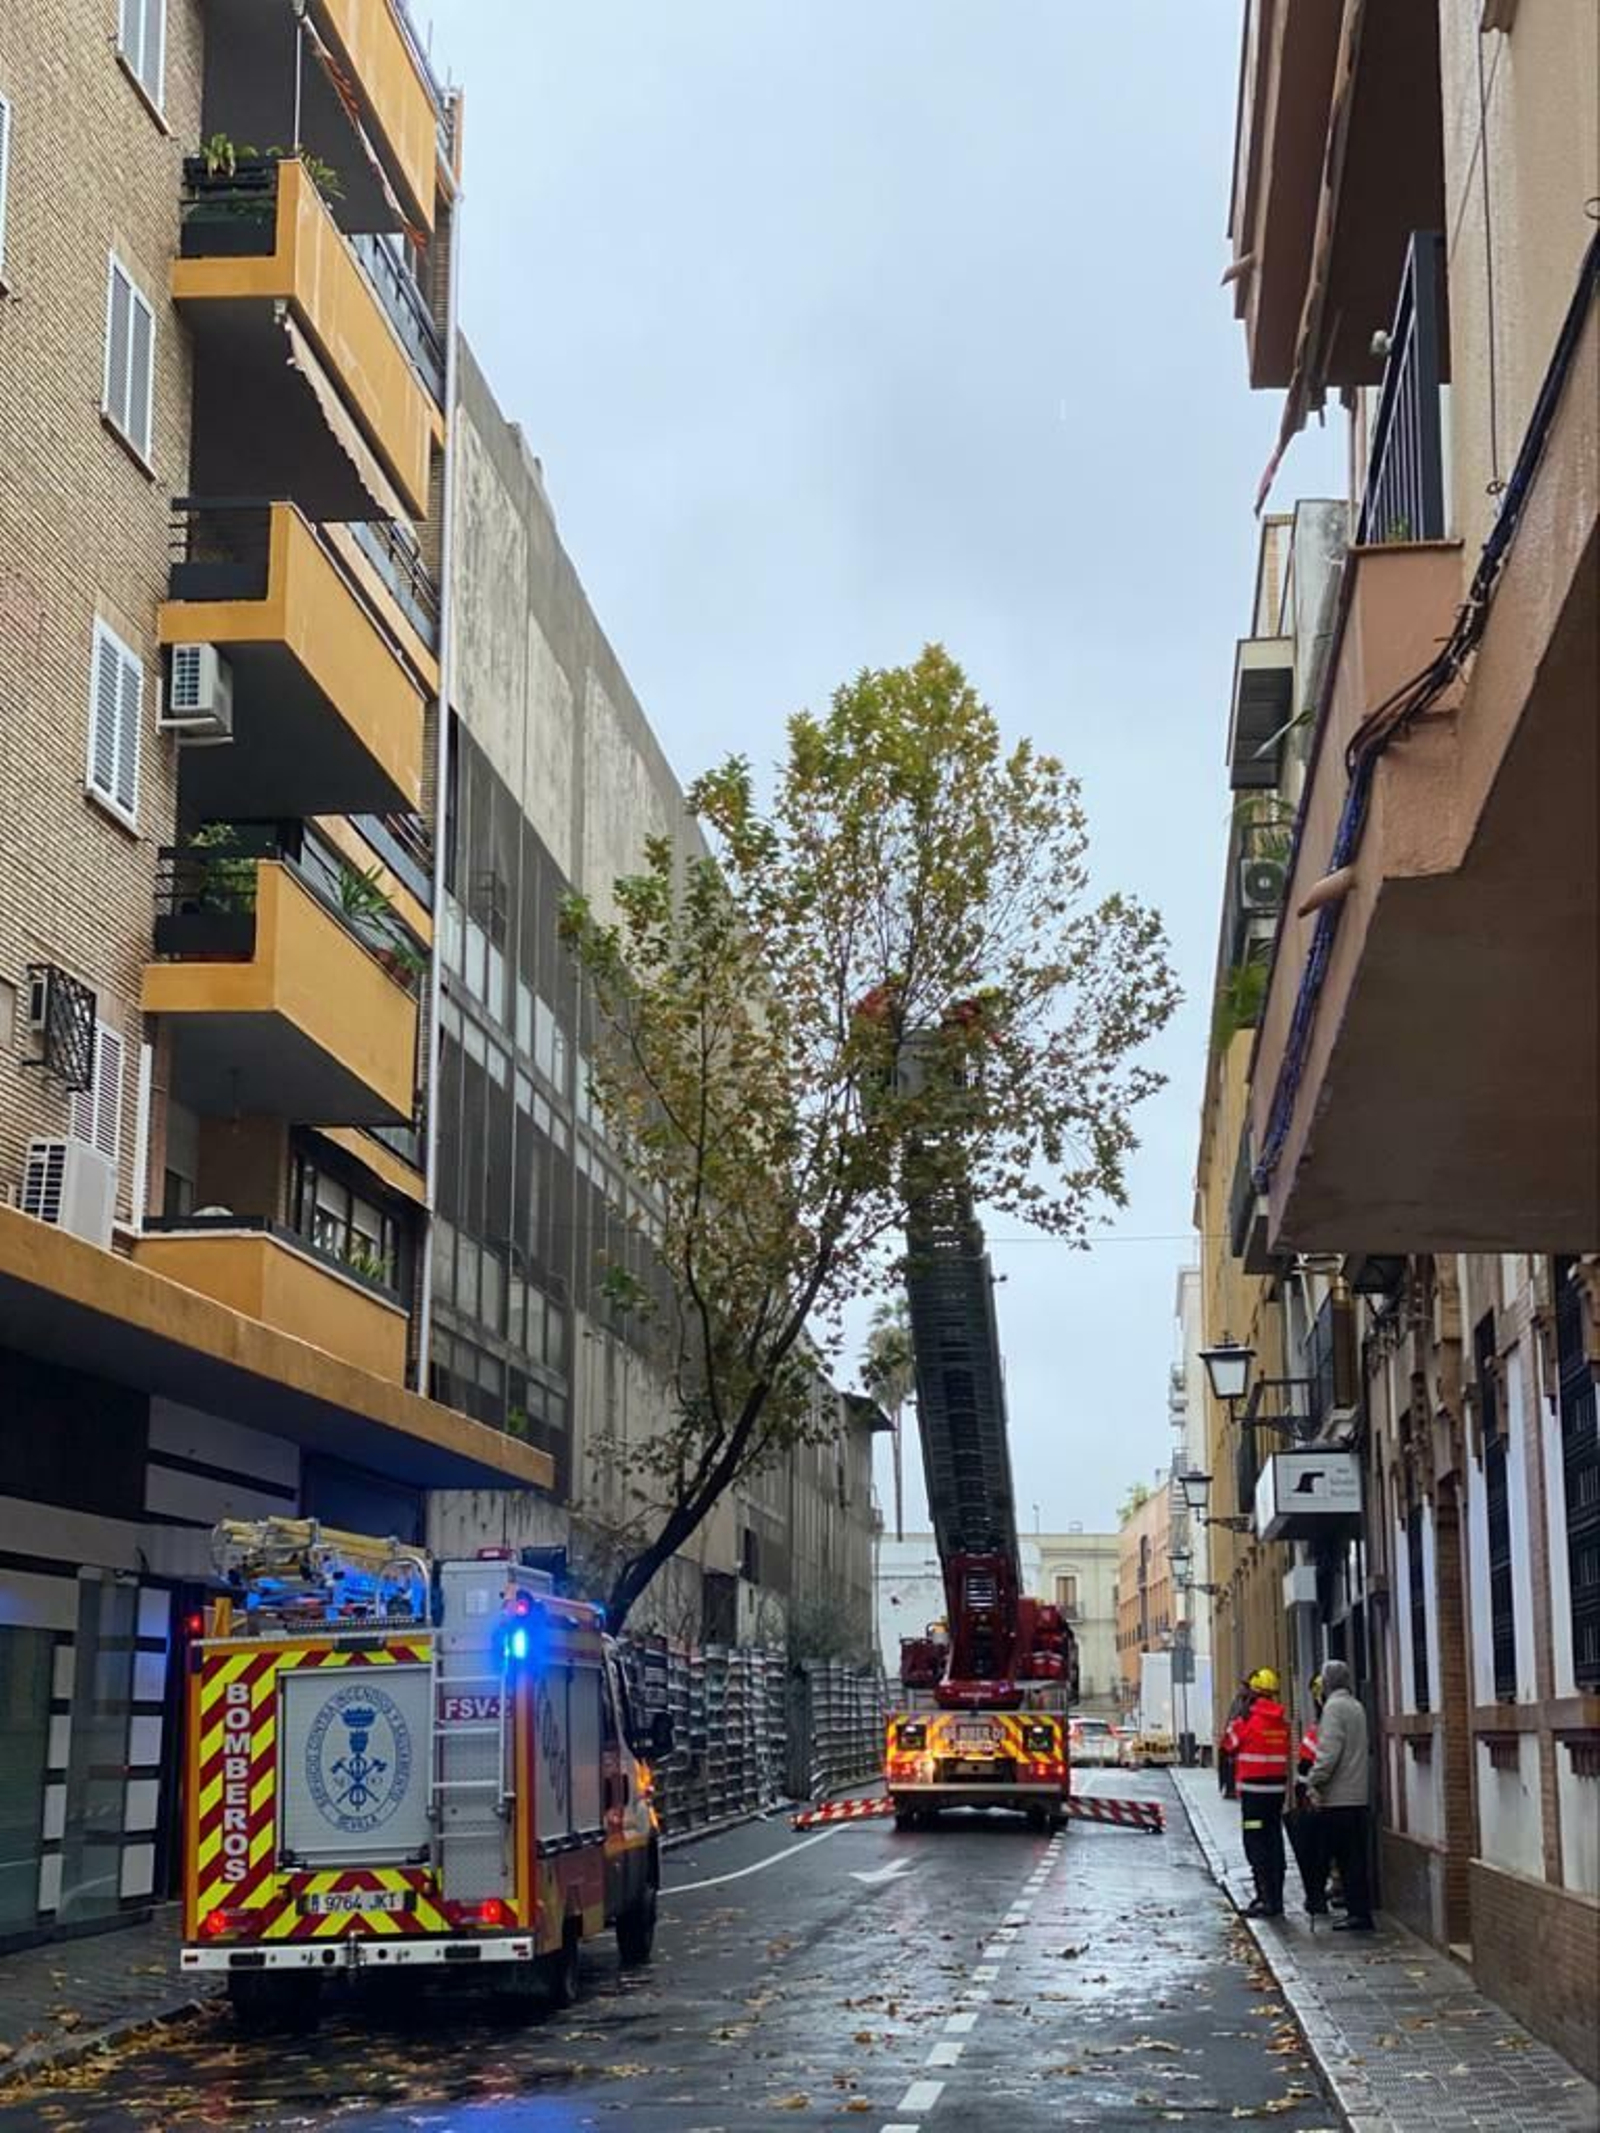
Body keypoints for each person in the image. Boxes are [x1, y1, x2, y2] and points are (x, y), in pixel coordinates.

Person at [1305, 1659, 1374, 1932]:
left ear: (1328, 1682)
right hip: (1358, 1795)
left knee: (1345, 1859)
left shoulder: (1333, 1709)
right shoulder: (1356, 1706)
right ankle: (1360, 1910)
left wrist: (1314, 1780)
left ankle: (1356, 1914)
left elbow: (1329, 1753)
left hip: (1339, 1798)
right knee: (1356, 1857)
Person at [1233, 1665, 1291, 1918]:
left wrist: (1238, 1715)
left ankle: (1264, 1897)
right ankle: (1276, 1899)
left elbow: (1229, 1744)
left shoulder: (1247, 1721)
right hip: (1276, 1793)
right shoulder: (1281, 1722)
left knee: (1255, 1842)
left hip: (1253, 1796)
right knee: (1274, 1840)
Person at [1287, 1674, 1329, 1919]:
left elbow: (1305, 1765)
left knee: (1315, 1851)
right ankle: (1327, 1891)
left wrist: (1302, 1793)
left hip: (1319, 1799)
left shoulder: (1318, 1731)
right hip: (1339, 1799)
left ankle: (1317, 1896)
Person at [1218, 1677, 1253, 1799]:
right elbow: (1230, 1718)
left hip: (1239, 1738)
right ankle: (1228, 1788)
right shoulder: (1237, 1701)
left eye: (1243, 1688)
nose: (1240, 1690)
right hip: (1231, 1737)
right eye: (1240, 1688)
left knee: (1233, 1765)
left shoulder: (1249, 1703)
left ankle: (1232, 1789)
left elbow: (1241, 1720)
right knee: (1227, 1763)